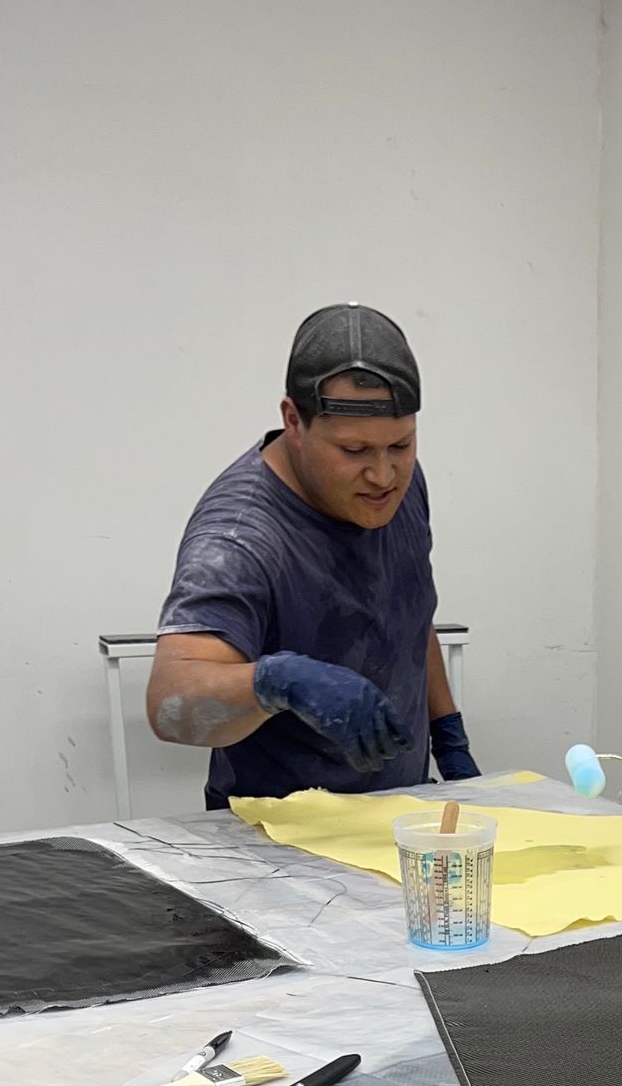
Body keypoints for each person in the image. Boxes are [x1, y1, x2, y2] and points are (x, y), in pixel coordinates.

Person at [147, 303, 479, 813]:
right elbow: (170, 703)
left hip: (398, 809)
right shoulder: (240, 538)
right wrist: (277, 682)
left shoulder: (396, 489)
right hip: (276, 838)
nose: (383, 475)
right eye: (353, 451)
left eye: (401, 444)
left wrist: (449, 735)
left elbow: (410, 611)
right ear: (293, 420)